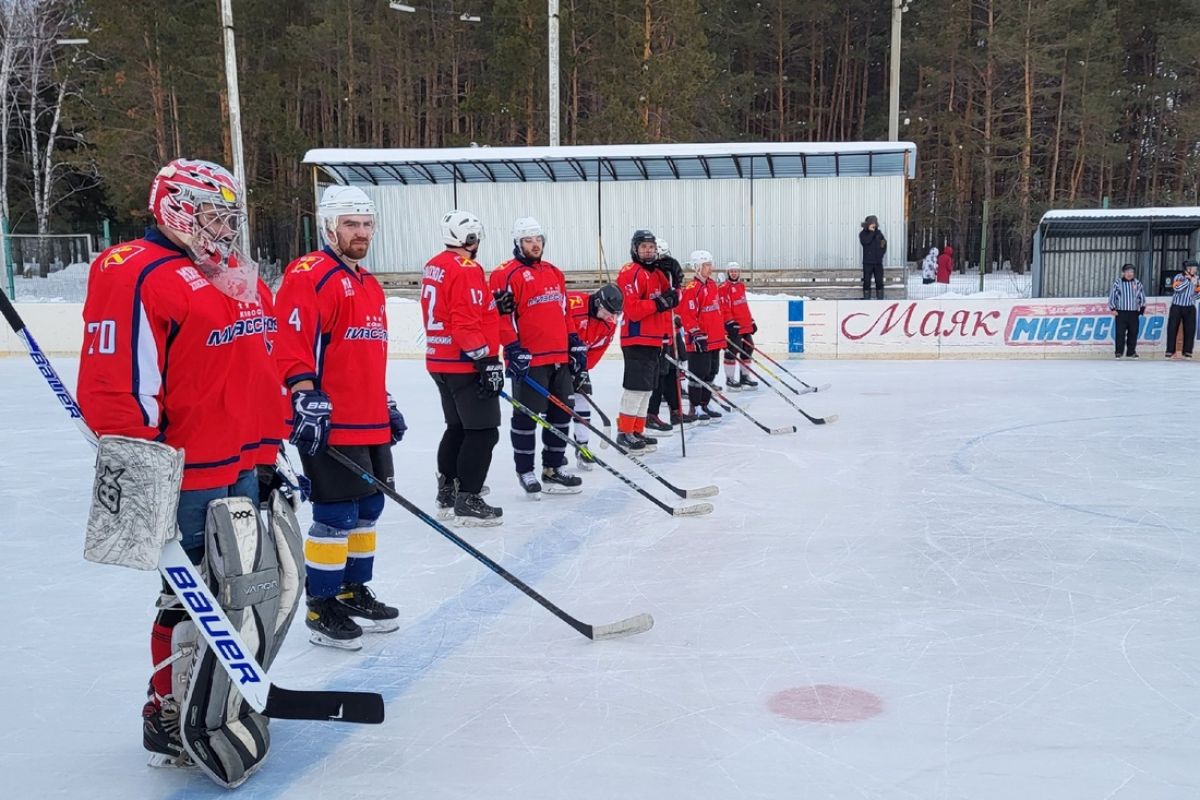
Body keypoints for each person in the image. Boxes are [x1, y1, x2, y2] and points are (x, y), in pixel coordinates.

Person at [76, 158, 279, 765]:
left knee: (232, 594)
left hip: (238, 462)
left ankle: (213, 699)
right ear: (177, 209)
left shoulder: (231, 275)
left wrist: (269, 449)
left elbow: (256, 371)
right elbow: (117, 384)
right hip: (184, 472)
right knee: (187, 597)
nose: (223, 228)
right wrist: (137, 467)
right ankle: (166, 709)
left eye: (228, 216)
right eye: (212, 214)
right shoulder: (135, 271)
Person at [273, 185, 404, 651]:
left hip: (368, 417)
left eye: (366, 225)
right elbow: (290, 343)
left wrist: (384, 401)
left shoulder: (368, 283)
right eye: (351, 224)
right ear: (330, 226)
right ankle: (321, 603)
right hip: (330, 420)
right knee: (336, 513)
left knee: (369, 509)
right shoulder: (309, 275)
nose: (360, 233)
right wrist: (303, 396)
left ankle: (351, 590)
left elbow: (365, 355)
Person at [421, 210, 505, 524]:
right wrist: (485, 360)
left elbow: (456, 307)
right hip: (464, 363)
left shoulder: (435, 265)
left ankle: (448, 490)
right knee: (483, 432)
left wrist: (493, 302)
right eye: (475, 237)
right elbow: (464, 322)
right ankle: (468, 498)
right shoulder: (467, 268)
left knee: (457, 427)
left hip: (439, 360)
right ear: (468, 239)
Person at [490, 217, 583, 498]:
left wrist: (574, 342)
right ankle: (525, 470)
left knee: (560, 414)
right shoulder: (505, 273)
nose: (535, 245)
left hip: (559, 357)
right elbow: (502, 318)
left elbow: (564, 311)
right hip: (529, 359)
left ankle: (553, 468)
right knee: (526, 418)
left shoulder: (554, 271)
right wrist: (513, 349)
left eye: (538, 240)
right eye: (529, 240)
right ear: (518, 243)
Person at [615, 229, 678, 452]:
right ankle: (625, 432)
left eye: (651, 247)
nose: (648, 251)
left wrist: (676, 280)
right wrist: (659, 303)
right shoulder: (630, 272)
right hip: (636, 337)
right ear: (635, 249)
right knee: (635, 388)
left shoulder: (658, 274)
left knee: (648, 389)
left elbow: (672, 299)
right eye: (643, 247)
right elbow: (632, 309)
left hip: (655, 338)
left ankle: (637, 429)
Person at [566, 283, 622, 469]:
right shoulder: (573, 302)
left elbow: (597, 350)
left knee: (583, 399)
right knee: (556, 409)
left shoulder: (608, 324)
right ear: (598, 302)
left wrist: (583, 369)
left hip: (579, 364)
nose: (612, 317)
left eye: (615, 314)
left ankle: (583, 447)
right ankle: (554, 454)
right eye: (608, 312)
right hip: (556, 361)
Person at [645, 238, 691, 431]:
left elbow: (676, 300)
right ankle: (651, 413)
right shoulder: (647, 275)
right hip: (655, 333)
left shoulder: (667, 276)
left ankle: (676, 411)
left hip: (670, 331)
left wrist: (677, 284)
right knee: (658, 374)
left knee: (673, 371)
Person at [679, 250, 727, 422]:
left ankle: (705, 403)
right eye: (706, 265)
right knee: (698, 375)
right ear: (697, 267)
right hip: (699, 340)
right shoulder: (692, 289)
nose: (710, 268)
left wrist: (723, 332)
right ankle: (695, 406)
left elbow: (717, 311)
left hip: (714, 339)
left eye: (710, 264)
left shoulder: (713, 285)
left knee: (710, 373)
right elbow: (687, 315)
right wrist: (696, 332)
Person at [718, 262, 758, 391]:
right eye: (731, 271)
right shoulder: (724, 287)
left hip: (744, 324)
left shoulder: (741, 286)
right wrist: (729, 322)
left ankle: (744, 377)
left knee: (748, 349)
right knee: (733, 351)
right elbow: (724, 307)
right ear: (728, 273)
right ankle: (729, 379)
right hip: (733, 326)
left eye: (736, 271)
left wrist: (750, 320)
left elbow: (743, 306)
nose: (734, 273)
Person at [1108, 263, 1146, 359]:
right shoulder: (1118, 283)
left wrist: (1141, 309)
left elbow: (1141, 296)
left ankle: (1131, 352)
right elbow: (1113, 296)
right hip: (1121, 312)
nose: (1129, 274)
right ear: (1123, 272)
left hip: (1133, 312)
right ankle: (1118, 352)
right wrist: (1112, 308)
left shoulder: (1137, 283)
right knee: (1120, 333)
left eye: (1131, 272)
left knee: (1133, 333)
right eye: (1127, 272)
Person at [1165, 258, 1199, 359]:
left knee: (1190, 329)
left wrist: (1194, 295)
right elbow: (1177, 289)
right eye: (1194, 267)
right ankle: (1170, 351)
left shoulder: (1197, 278)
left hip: (1190, 307)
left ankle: (1187, 351)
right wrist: (1188, 281)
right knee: (1172, 328)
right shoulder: (1179, 277)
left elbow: (1198, 292)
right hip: (1177, 306)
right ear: (1188, 268)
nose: (1195, 269)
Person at [859, 215, 887, 299]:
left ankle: (880, 299)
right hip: (867, 263)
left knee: (879, 281)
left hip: (878, 262)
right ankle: (867, 299)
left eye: (874, 223)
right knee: (867, 282)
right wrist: (871, 232)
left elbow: (884, 243)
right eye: (871, 223)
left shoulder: (879, 233)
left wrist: (881, 254)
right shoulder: (863, 234)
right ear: (867, 224)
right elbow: (865, 242)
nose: (873, 225)